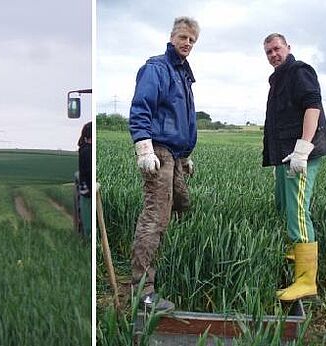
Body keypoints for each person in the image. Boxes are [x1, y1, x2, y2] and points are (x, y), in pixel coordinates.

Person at [127, 16, 199, 312]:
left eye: (192, 40)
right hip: (159, 150)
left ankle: (172, 259)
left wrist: (186, 155)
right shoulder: (158, 68)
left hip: (176, 153)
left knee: (183, 204)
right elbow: (141, 106)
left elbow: (180, 120)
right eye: (183, 37)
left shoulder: (182, 74)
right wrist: (144, 147)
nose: (187, 43)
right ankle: (143, 292)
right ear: (171, 38)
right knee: (155, 216)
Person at [261, 33, 326, 302]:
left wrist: (303, 147)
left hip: (300, 154)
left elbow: (312, 106)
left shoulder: (299, 70)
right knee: (284, 205)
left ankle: (306, 282)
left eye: (276, 48)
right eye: (268, 52)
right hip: (284, 156)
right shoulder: (278, 78)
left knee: (298, 210)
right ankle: (294, 256)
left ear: (288, 48)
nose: (273, 54)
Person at [77, 122, 92, 237]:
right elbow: (88, 173)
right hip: (87, 189)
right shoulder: (87, 151)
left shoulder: (84, 148)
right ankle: (88, 234)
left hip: (85, 186)